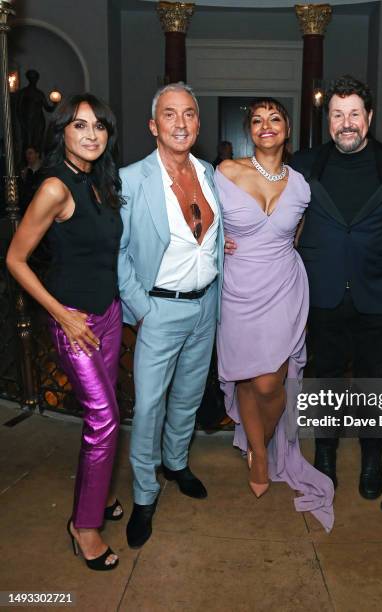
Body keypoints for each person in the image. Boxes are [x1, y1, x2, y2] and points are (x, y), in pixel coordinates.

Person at [6, 94, 124, 570]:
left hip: (109, 316)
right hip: (76, 324)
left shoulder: (98, 180)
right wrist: (62, 314)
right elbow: (14, 259)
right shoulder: (56, 187)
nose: (91, 134)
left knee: (102, 422)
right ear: (63, 133)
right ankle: (85, 526)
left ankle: (92, 501)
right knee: (105, 421)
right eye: (80, 125)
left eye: (99, 126)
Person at [215, 97, 334, 531]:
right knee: (250, 374)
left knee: (274, 379)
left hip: (284, 285)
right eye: (258, 120)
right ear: (251, 129)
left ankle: (258, 442)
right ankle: (260, 455)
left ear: (287, 128)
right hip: (238, 288)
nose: (267, 126)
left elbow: (296, 237)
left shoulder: (301, 185)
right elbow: (203, 225)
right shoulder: (225, 172)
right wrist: (217, 244)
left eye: (276, 118)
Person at [290, 75, 382, 497]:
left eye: (354, 114)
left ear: (370, 117)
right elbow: (275, 214)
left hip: (376, 295)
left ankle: (372, 457)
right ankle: (324, 454)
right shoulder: (304, 165)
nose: (346, 123)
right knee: (324, 379)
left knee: (372, 381)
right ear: (328, 120)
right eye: (338, 114)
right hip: (322, 294)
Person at [118, 82, 224, 548]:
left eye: (188, 115)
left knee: (187, 396)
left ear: (198, 124)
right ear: (153, 125)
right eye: (169, 115)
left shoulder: (210, 173)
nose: (180, 123)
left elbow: (218, 236)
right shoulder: (130, 180)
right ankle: (144, 495)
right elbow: (117, 254)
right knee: (148, 406)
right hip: (159, 308)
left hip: (205, 305)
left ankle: (176, 463)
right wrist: (142, 309)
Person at [20, 145, 42, 212]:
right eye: (26, 154)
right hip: (28, 205)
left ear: (37, 154)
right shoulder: (26, 171)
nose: (27, 156)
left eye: (30, 153)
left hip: (40, 202)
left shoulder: (44, 169)